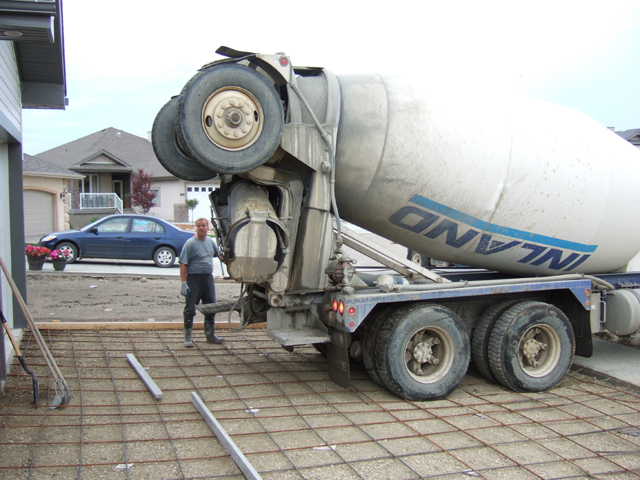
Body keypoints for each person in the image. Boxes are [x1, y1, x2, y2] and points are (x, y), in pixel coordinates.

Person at [179, 217, 223, 347]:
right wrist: (183, 282)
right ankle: (188, 337)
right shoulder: (190, 243)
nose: (202, 228)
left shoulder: (210, 242)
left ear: (208, 227)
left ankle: (210, 335)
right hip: (194, 279)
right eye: (199, 226)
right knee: (190, 308)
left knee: (211, 307)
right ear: (196, 228)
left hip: (207, 279)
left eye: (204, 225)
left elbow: (219, 255)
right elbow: (183, 264)